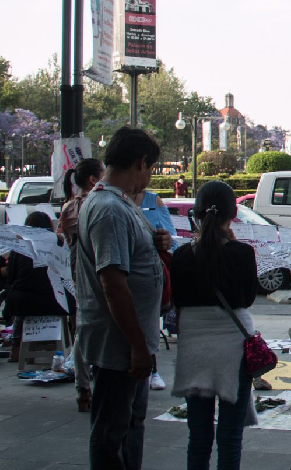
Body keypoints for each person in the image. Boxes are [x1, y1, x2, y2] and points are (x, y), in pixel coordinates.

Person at [74, 127, 171, 470]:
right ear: (141, 162)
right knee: (112, 430)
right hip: (119, 345)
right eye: (151, 168)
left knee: (129, 424)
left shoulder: (119, 203)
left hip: (129, 342)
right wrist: (137, 347)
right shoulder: (109, 209)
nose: (149, 177)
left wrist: (155, 244)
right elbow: (112, 284)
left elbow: (128, 255)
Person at [171, 181, 258, 470]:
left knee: (198, 437)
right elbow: (247, 299)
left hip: (194, 349)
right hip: (233, 349)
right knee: (230, 437)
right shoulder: (242, 253)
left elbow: (178, 300)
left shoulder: (181, 256)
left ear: (196, 215)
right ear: (233, 214)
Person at [57, 157, 105, 412]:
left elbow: (62, 236)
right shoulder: (96, 203)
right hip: (97, 265)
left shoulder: (68, 206)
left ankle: (82, 388)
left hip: (76, 267)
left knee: (82, 327)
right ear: (93, 179)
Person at [6, 213, 74, 364]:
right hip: (56, 301)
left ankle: (16, 348)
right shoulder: (59, 242)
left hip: (24, 303)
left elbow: (11, 277)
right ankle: (70, 342)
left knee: (20, 307)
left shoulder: (20, 245)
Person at [133, 188, 176, 391]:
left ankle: (153, 369)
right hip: (123, 272)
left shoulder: (153, 200)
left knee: (148, 322)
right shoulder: (111, 199)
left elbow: (171, 237)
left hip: (150, 273)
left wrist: (166, 241)